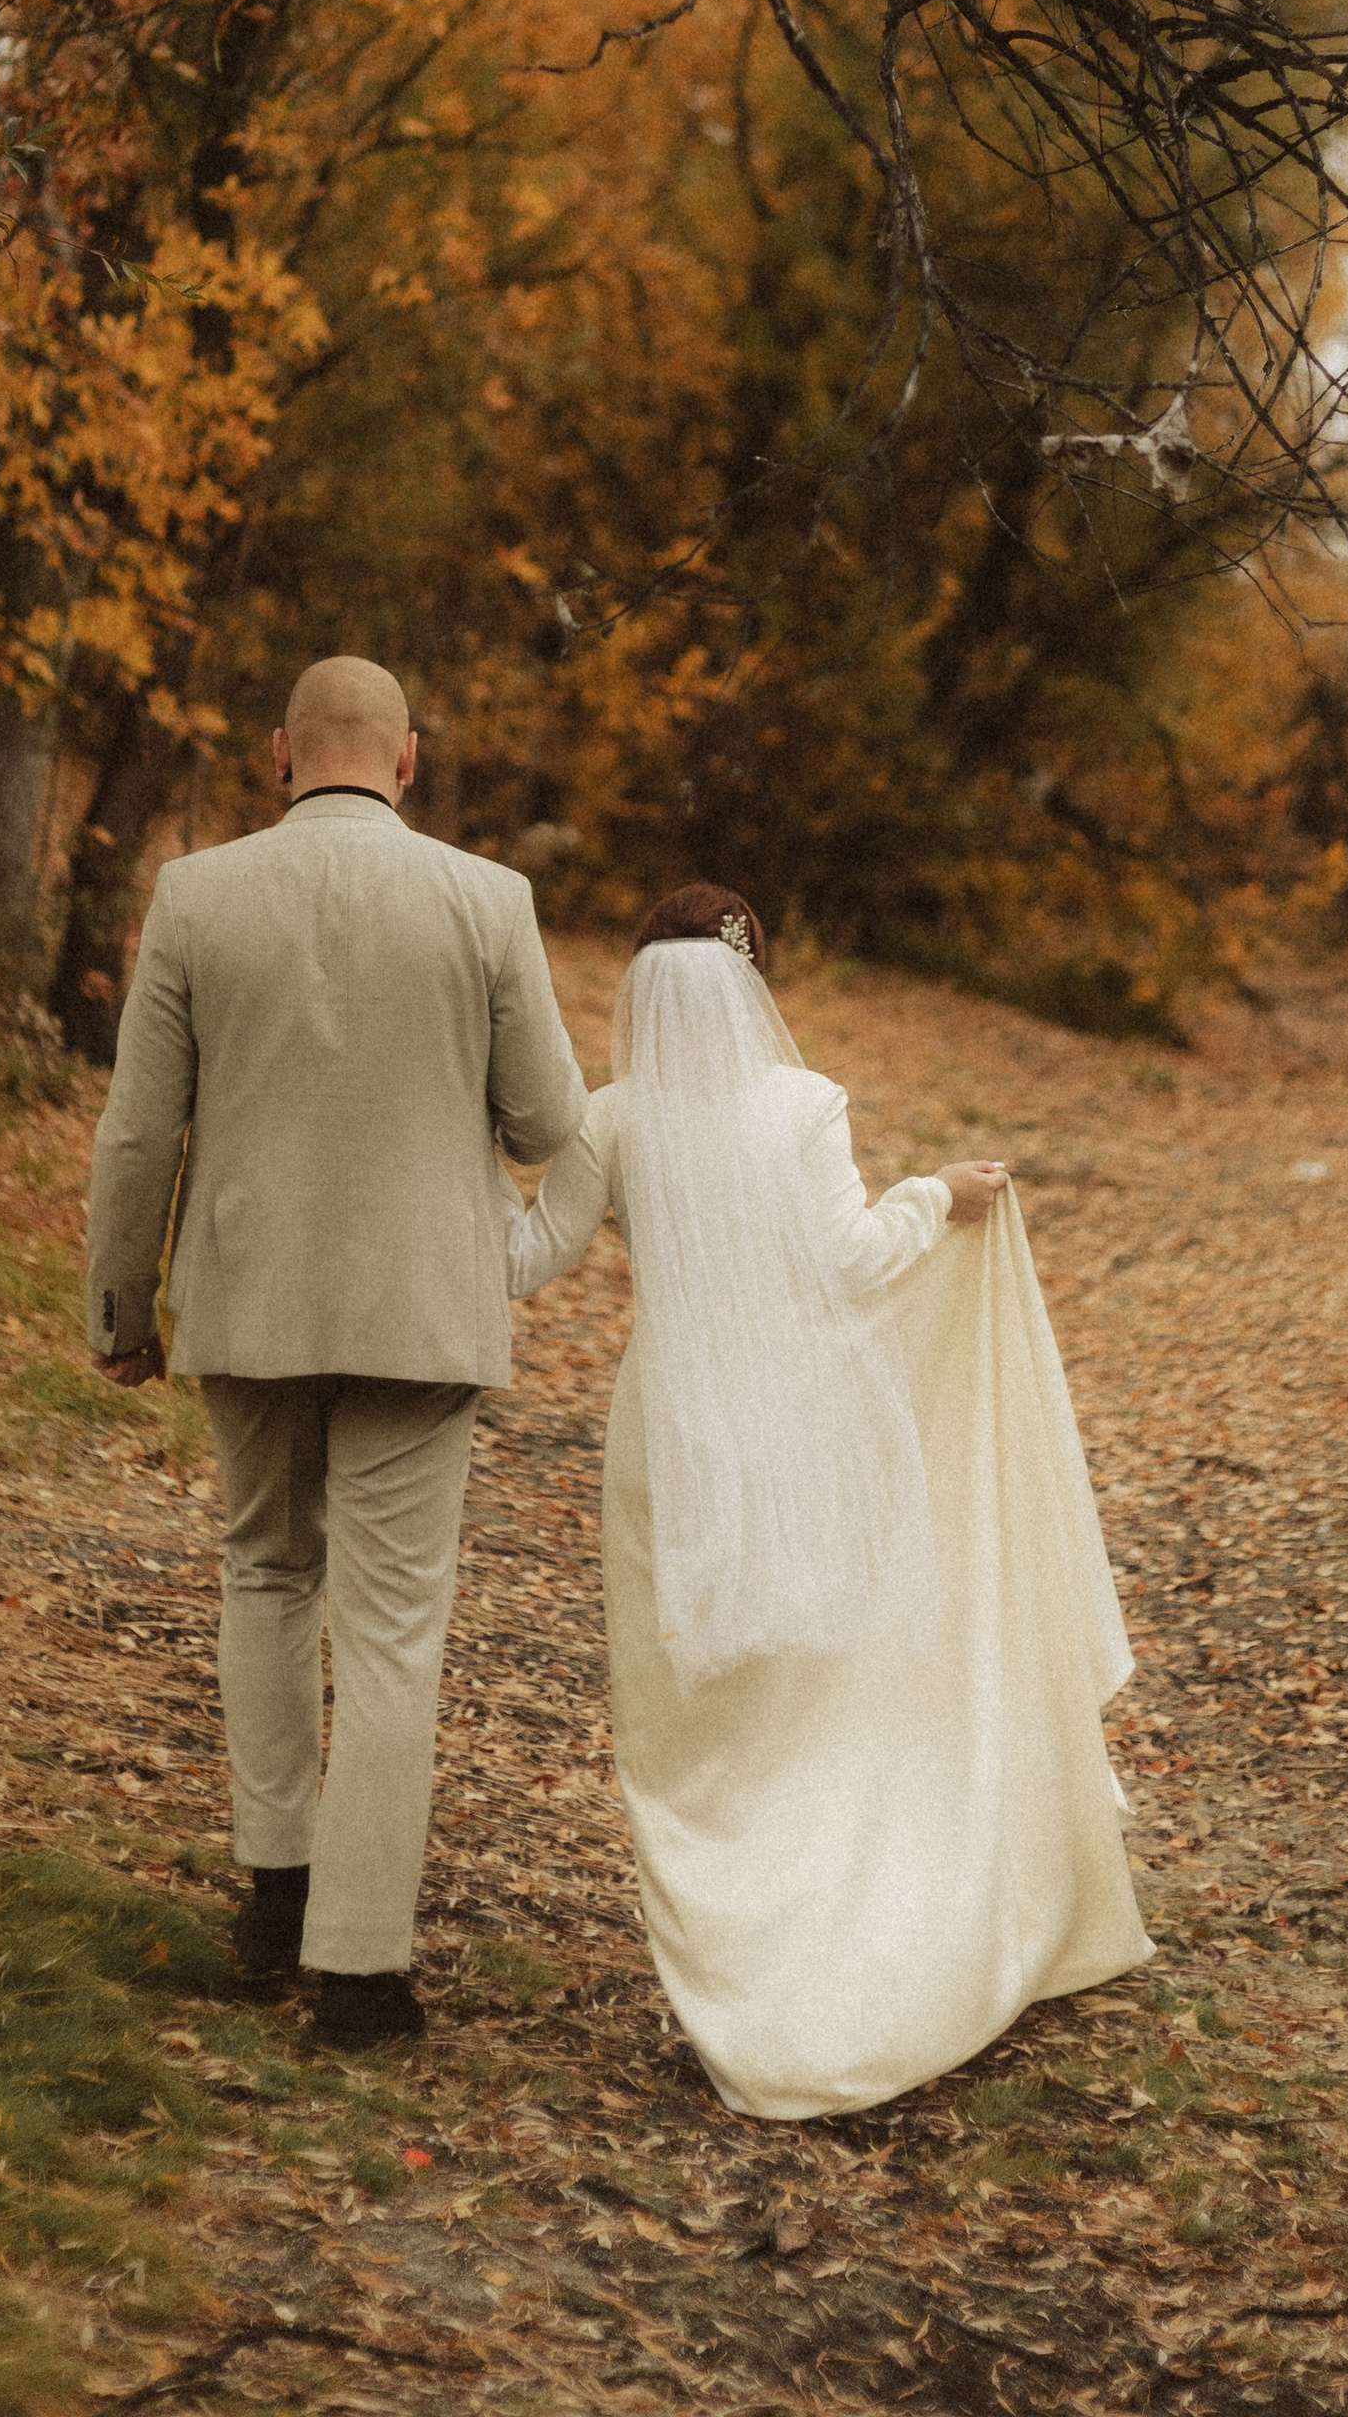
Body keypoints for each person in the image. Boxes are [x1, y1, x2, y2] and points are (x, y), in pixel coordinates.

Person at [506, 882, 1151, 2118]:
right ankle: (849, 1947)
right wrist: (937, 1197)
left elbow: (531, 1259)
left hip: (673, 1434)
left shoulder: (609, 1121)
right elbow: (849, 1265)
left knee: (693, 1710)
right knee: (823, 1695)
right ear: (756, 985)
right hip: (805, 1420)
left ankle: (742, 1982)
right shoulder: (804, 1108)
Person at [85, 655, 587, 2047]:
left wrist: (124, 1307)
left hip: (250, 1299)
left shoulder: (197, 895)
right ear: (409, 760)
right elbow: (546, 1121)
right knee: (391, 1628)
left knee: (264, 1568)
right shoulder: (488, 902)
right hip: (422, 1313)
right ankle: (360, 1969)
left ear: (279, 753)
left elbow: (138, 1130)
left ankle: (272, 1893)